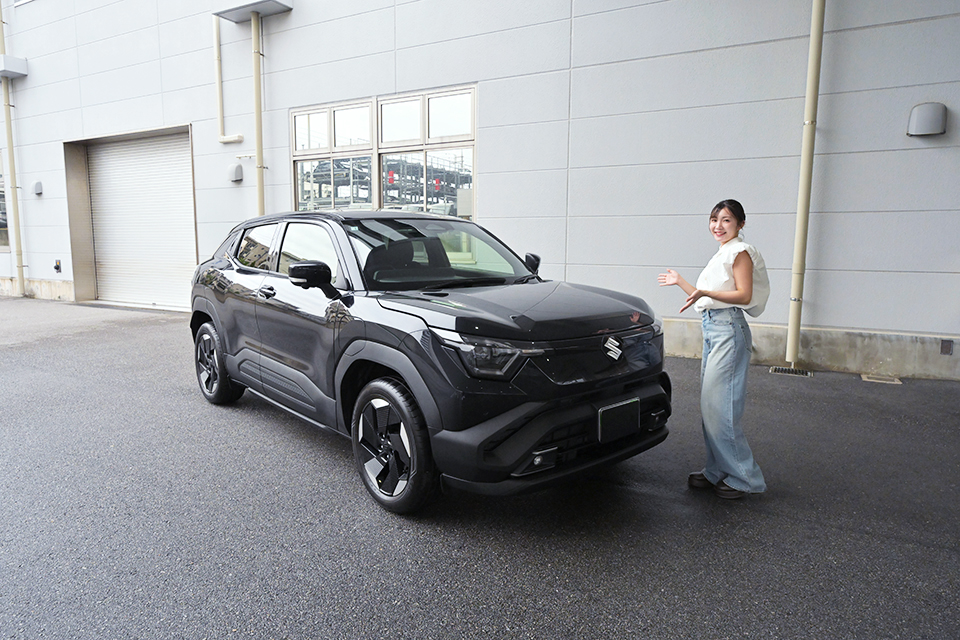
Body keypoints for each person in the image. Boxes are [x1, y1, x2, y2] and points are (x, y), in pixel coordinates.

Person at [657, 199, 770, 499]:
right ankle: (718, 469)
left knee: (722, 408)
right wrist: (681, 282)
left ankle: (744, 477)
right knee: (710, 406)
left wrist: (705, 291)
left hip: (728, 329)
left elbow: (743, 295)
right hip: (713, 329)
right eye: (714, 219)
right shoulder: (722, 253)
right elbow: (703, 298)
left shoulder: (740, 252)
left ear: (740, 224)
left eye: (726, 220)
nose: (718, 226)